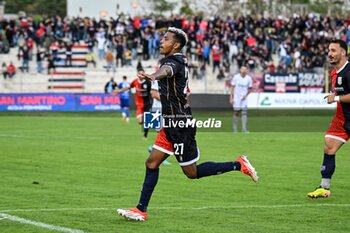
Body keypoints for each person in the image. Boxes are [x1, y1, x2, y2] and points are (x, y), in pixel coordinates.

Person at [116, 27, 258, 221]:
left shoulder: (174, 62)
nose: (161, 42)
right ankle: (141, 210)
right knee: (152, 163)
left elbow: (167, 71)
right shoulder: (176, 61)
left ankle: (238, 164)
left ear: (175, 45)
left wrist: (153, 76)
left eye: (165, 39)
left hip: (180, 126)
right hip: (170, 124)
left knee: (192, 173)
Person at [307, 39, 350, 198]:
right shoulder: (334, 73)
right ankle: (324, 188)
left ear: (343, 52)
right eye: (329, 51)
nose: (329, 54)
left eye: (333, 50)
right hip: (342, 118)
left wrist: (336, 98)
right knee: (329, 147)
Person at [113, 68, 152, 138]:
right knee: (140, 121)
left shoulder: (148, 82)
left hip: (147, 104)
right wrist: (118, 91)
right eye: (139, 74)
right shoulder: (135, 82)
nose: (140, 75)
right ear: (137, 75)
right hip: (139, 104)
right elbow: (129, 87)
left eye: (142, 74)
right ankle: (146, 120)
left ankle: (145, 135)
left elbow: (152, 91)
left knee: (147, 120)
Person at [230, 66, 253, 133]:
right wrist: (231, 97)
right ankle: (234, 128)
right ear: (240, 70)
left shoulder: (249, 78)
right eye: (242, 69)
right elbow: (232, 87)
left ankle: (244, 129)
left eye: (245, 69)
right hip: (237, 98)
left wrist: (245, 95)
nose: (244, 70)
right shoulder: (236, 77)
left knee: (244, 113)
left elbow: (250, 89)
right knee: (236, 112)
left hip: (244, 98)